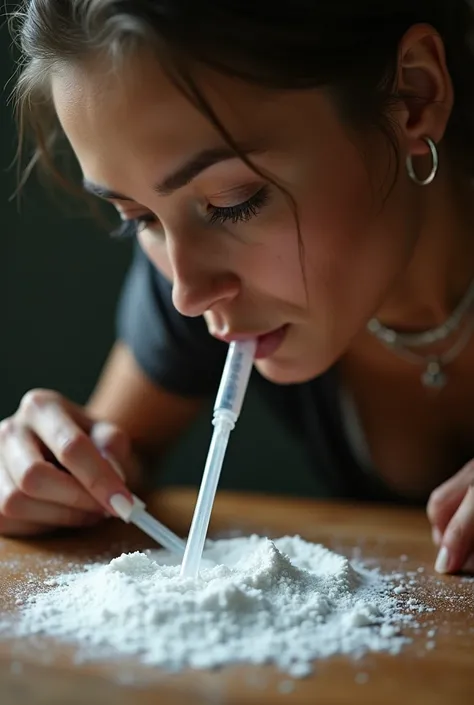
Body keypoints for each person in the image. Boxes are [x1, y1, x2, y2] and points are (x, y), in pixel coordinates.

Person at [3, 1, 474, 576]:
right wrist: (43, 466)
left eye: (234, 200)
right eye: (138, 218)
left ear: (413, 97)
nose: (188, 293)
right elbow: (104, 466)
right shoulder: (192, 276)